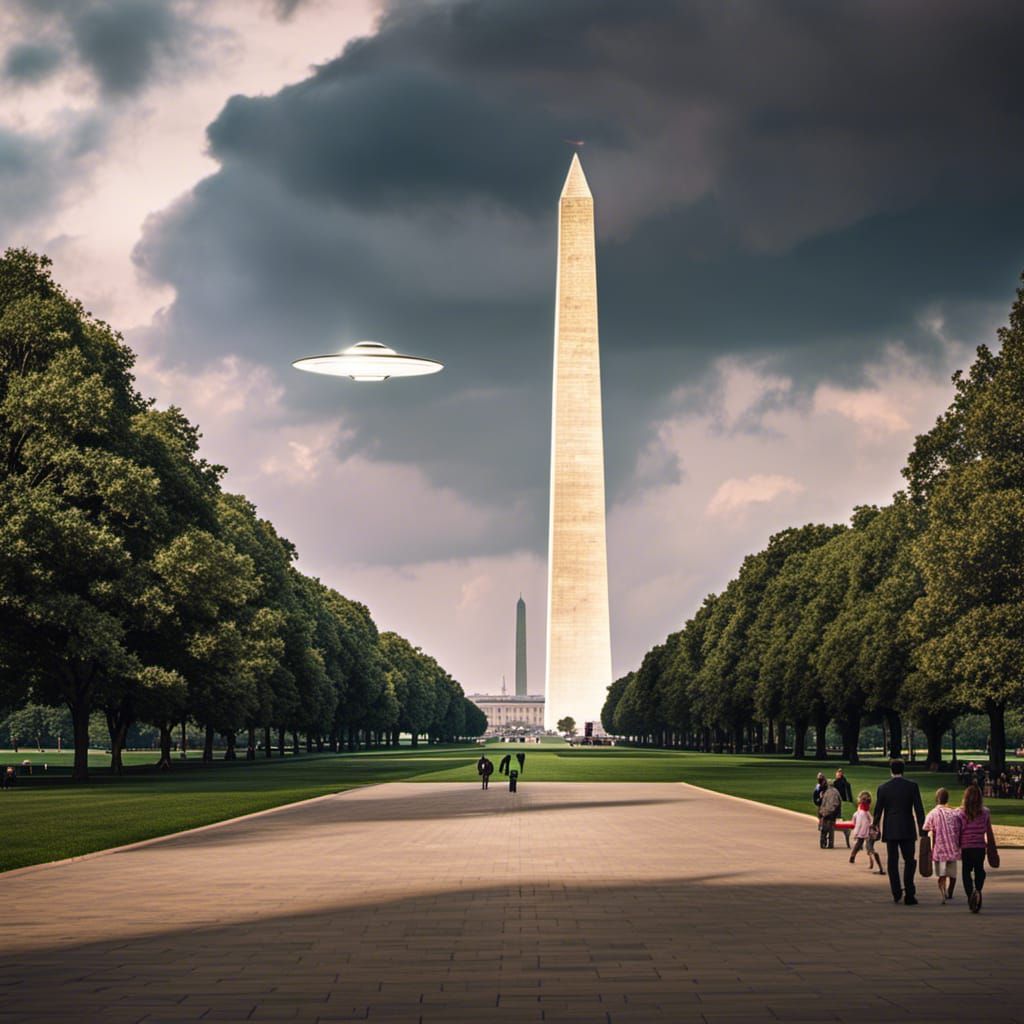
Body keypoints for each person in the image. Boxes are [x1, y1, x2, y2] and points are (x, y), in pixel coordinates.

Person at [872, 758, 926, 905]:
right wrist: (923, 829)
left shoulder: (883, 788)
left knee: (892, 861)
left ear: (891, 770)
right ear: (903, 770)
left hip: (890, 828)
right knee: (910, 860)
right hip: (907, 827)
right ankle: (910, 893)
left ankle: (896, 892)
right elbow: (919, 809)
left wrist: (874, 825)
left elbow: (878, 811)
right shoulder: (912, 786)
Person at [958, 783, 997, 913]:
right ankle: (978, 889)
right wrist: (992, 846)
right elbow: (988, 831)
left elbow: (959, 831)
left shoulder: (961, 813)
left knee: (966, 872)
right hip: (979, 847)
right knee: (979, 869)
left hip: (966, 847)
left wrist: (957, 845)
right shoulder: (985, 812)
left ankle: (970, 895)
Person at [923, 788, 963, 904]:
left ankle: (943, 893)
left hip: (939, 849)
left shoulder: (932, 813)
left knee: (942, 874)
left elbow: (925, 827)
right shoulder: (953, 813)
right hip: (952, 847)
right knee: (952, 874)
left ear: (936, 799)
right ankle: (950, 891)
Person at [850, 791, 883, 874]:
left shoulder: (860, 813)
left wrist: (856, 833)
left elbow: (858, 825)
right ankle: (854, 857)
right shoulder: (867, 812)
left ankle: (880, 868)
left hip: (865, 833)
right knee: (868, 847)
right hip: (870, 833)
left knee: (869, 848)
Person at [818, 780, 842, 849]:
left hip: (824, 813)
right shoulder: (836, 792)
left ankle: (822, 842)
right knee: (831, 829)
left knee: (824, 829)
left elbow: (823, 803)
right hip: (832, 813)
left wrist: (821, 812)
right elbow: (838, 803)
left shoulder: (826, 792)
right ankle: (830, 844)